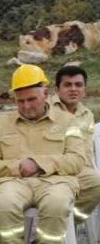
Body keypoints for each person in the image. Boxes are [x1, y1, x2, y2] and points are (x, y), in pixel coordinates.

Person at [0, 65, 90, 244]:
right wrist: (20, 167)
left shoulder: (68, 121)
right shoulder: (0, 123)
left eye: (32, 99)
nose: (26, 106)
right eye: (20, 101)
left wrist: (40, 164)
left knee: (57, 204)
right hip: (13, 181)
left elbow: (77, 160)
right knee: (3, 204)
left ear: (46, 94)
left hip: (55, 180)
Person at [51, 66, 98, 226]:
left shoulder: (87, 115)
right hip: (51, 170)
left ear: (84, 89)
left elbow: (87, 150)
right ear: (57, 89)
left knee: (97, 182)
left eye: (78, 85)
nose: (73, 89)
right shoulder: (45, 109)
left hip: (78, 171)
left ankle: (68, 224)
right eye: (68, 85)